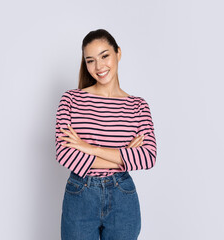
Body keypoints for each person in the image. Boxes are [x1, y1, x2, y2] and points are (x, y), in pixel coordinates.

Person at [55, 29, 157, 240]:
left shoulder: (138, 106)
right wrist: (124, 154)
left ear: (118, 53)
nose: (99, 67)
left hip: (123, 195)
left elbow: (148, 157)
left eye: (105, 56)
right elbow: (64, 154)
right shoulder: (71, 100)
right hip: (80, 193)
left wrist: (88, 148)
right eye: (90, 60)